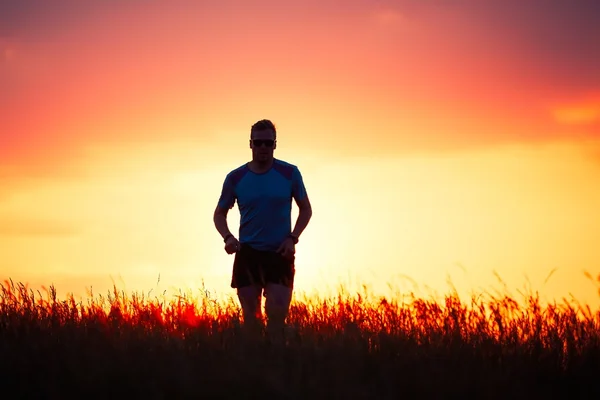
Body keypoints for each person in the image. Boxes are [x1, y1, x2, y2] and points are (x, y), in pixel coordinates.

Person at [213, 119, 312, 341]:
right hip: (248, 254)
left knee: (276, 319)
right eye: (259, 143)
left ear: (275, 145)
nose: (263, 148)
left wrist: (292, 238)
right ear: (250, 144)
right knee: (252, 321)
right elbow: (219, 214)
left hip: (280, 254)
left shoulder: (290, 173)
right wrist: (228, 238)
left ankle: (277, 365)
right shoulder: (235, 178)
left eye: (268, 143)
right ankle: (252, 368)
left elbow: (305, 210)